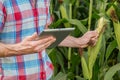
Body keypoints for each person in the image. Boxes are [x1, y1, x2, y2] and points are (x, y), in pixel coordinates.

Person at [0, 0, 98, 80]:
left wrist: (79, 41)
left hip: (46, 76)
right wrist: (18, 49)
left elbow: (45, 36)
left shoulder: (44, 1)